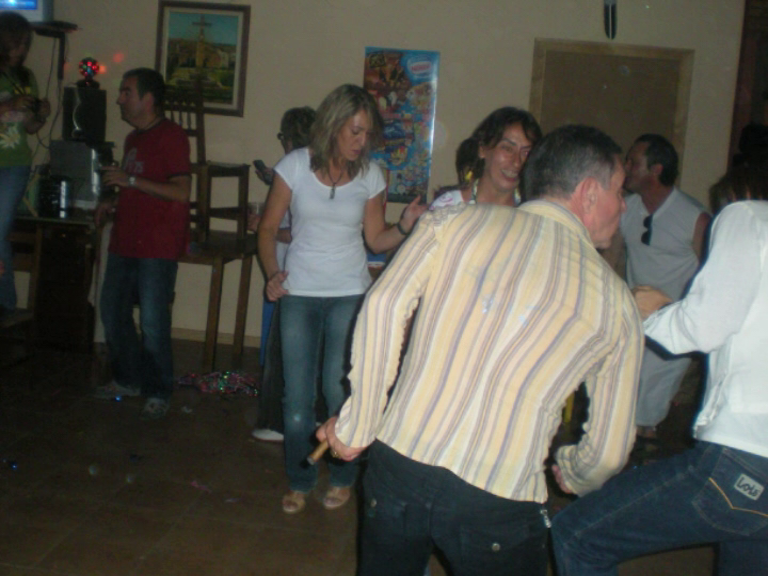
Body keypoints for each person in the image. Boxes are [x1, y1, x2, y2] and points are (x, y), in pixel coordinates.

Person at [317, 124, 644, 576]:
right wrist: (574, 471)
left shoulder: (452, 222)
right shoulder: (618, 303)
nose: (624, 205)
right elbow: (608, 454)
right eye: (620, 191)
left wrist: (359, 424)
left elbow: (384, 304)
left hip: (399, 468)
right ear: (588, 192)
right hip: (500, 499)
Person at [551, 164, 768, 576]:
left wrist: (654, 312)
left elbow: (703, 328)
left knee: (578, 534)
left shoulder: (747, 216)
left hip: (746, 459)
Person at [257, 84, 426, 514]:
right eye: (355, 131)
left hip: (349, 293)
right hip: (299, 293)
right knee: (296, 399)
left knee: (340, 390)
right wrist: (273, 274)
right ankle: (300, 479)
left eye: (367, 133)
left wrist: (405, 226)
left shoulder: (371, 175)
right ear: (333, 125)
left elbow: (375, 239)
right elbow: (267, 229)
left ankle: (344, 476)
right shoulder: (295, 166)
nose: (361, 141)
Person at [92, 68, 191, 420]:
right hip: (125, 240)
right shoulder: (133, 138)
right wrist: (113, 201)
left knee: (152, 322)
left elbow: (181, 191)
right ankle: (128, 379)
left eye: (127, 92)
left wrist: (130, 180)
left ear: (148, 99)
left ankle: (158, 391)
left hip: (156, 244)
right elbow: (137, 187)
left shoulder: (172, 136)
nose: (120, 98)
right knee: (112, 311)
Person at [620, 134, 711, 448]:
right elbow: (611, 258)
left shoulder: (693, 217)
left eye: (633, 162)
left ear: (656, 170)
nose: (626, 167)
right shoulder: (626, 208)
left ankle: (646, 450)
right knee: (623, 405)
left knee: (650, 412)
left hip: (672, 325)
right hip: (633, 321)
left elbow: (710, 273)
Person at [249, 106, 316, 443]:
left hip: (290, 272)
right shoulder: (310, 169)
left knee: (284, 352)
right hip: (290, 270)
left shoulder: (296, 168)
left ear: (289, 139)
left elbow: (301, 232)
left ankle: (280, 422)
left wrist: (267, 228)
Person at [0, 12, 50, 316]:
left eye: (25, 44)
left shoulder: (26, 77)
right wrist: (8, 105)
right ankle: (7, 301)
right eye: (18, 42)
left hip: (15, 163)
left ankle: (5, 303)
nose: (22, 49)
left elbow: (30, 128)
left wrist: (41, 114)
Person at [429, 107, 541, 210]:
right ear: (482, 149)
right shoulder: (447, 209)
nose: (517, 162)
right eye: (507, 149)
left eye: (526, 153)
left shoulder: (533, 212)